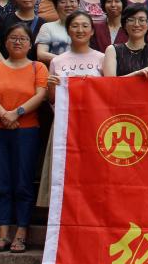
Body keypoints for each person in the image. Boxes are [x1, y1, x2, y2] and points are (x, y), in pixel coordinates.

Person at [0, 22, 49, 254]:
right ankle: (2, 234)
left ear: (30, 44)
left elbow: (40, 95)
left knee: (23, 182)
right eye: (13, 38)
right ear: (5, 42)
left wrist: (16, 113)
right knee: (1, 181)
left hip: (26, 129)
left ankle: (21, 232)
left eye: (23, 39)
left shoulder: (38, 67)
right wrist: (4, 115)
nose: (18, 42)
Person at [38, 11, 103, 208]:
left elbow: (108, 94)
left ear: (92, 31)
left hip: (94, 126)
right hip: (64, 126)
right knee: (63, 172)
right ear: (68, 30)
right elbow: (52, 99)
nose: (80, 30)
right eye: (74, 26)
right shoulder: (57, 61)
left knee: (92, 173)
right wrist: (51, 86)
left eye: (85, 26)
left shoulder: (102, 58)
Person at [103, 5, 148, 77]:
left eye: (142, 20)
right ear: (124, 25)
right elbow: (109, 81)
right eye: (131, 20)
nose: (136, 24)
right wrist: (137, 74)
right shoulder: (112, 50)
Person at [36, 0, 81, 65]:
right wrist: (68, 60)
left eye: (72, 1)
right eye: (63, 2)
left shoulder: (85, 28)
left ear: (78, 4)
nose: (68, 5)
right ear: (55, 6)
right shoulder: (47, 27)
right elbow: (41, 54)